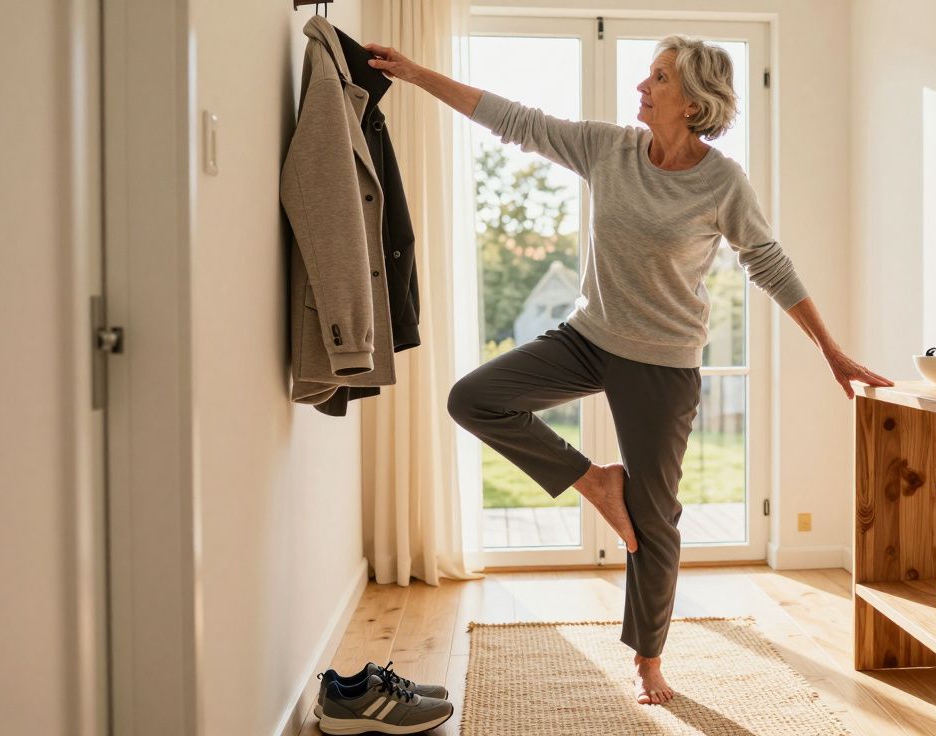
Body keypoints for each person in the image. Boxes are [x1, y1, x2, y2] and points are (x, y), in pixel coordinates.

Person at [365, 34, 892, 707]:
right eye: (648, 74)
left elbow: (769, 264)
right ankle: (595, 482)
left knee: (654, 518)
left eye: (660, 78)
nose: (643, 87)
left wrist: (832, 352)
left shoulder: (722, 181)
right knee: (474, 397)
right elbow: (515, 119)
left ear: (695, 102)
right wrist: (414, 74)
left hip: (663, 362)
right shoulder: (608, 148)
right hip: (588, 338)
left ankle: (648, 659)